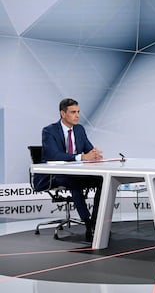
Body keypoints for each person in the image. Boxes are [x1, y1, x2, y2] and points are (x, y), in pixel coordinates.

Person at [34, 98, 103, 242]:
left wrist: (95, 154)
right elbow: (54, 155)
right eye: (73, 112)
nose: (77, 115)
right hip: (54, 175)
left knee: (102, 181)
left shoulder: (79, 129)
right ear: (63, 114)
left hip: (76, 173)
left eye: (78, 112)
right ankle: (87, 222)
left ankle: (96, 221)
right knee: (74, 181)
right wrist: (81, 157)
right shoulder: (49, 131)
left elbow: (88, 149)